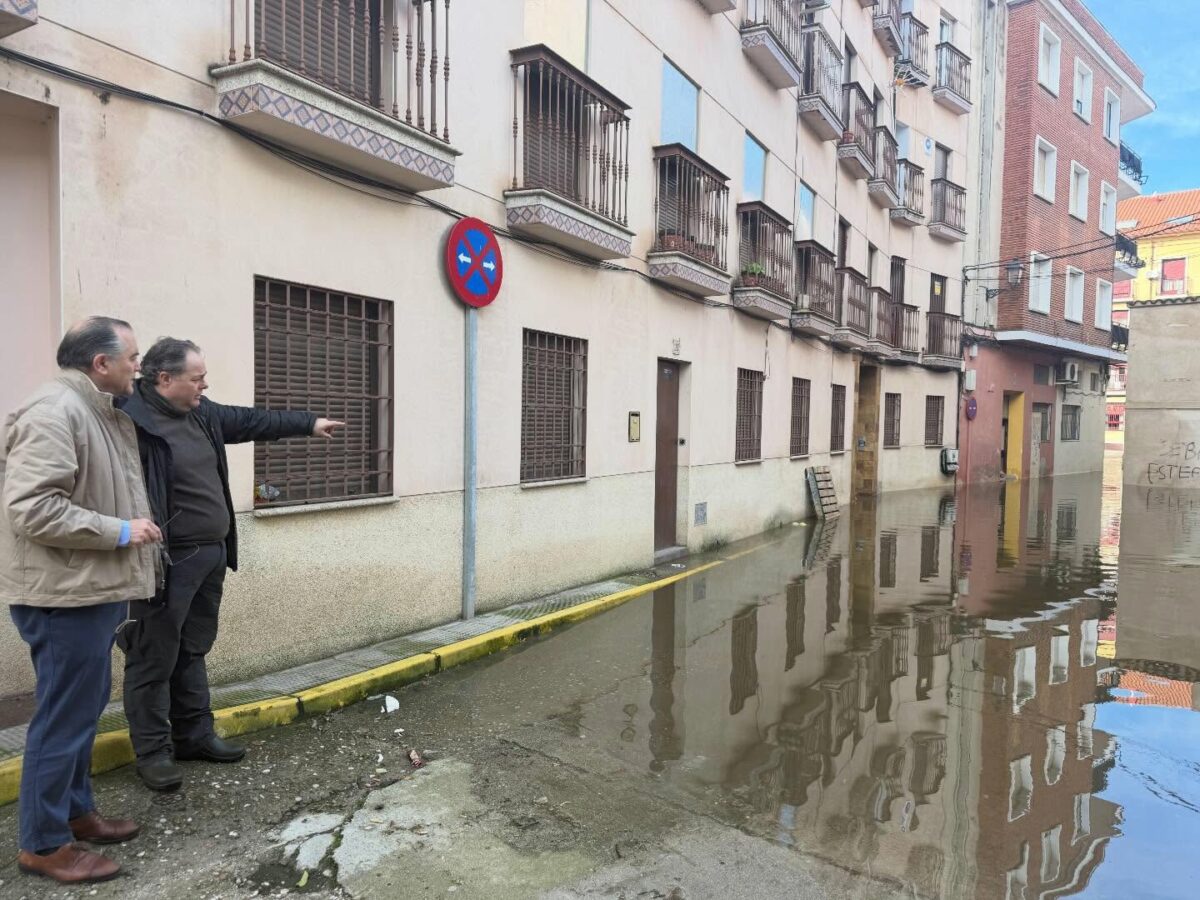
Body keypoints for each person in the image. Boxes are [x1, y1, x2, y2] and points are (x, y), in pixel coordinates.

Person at [118, 337, 344, 791]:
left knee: (193, 647)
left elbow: (250, 419)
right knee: (152, 656)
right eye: (197, 378)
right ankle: (153, 754)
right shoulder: (129, 421)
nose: (205, 385)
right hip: (164, 562)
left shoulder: (201, 413)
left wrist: (308, 423)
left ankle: (195, 735)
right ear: (165, 380)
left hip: (210, 554)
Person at [1, 317, 162, 884]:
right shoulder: (55, 412)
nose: (138, 367)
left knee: (83, 709)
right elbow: (33, 508)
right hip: (62, 595)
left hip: (85, 589)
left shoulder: (93, 410)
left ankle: (73, 812)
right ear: (101, 363)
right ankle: (43, 844)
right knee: (62, 718)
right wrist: (122, 530)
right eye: (133, 357)